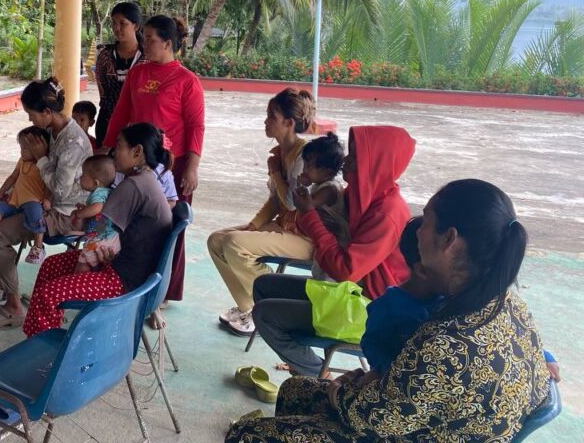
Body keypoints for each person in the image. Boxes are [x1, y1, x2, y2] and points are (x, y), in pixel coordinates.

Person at [227, 179, 552, 443]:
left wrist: (342, 391)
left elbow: (373, 419)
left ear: (449, 239)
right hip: (431, 421)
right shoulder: (508, 303)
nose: (418, 231)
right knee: (294, 389)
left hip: (410, 432)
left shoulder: (445, 344)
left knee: (246, 435)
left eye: (427, 221)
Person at [251, 125, 415, 377]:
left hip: (368, 307)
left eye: (355, 157)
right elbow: (312, 225)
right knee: (264, 285)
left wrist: (309, 215)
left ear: (376, 163)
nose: (346, 162)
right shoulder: (360, 195)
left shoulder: (387, 213)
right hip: (346, 292)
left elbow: (345, 270)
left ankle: (317, 375)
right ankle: (304, 362)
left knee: (265, 315)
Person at [22, 122, 173, 337]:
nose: (113, 152)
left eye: (119, 146)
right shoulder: (145, 180)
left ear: (137, 151)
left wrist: (85, 256)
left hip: (123, 280)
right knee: (50, 265)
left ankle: (41, 347)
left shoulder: (133, 186)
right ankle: (46, 332)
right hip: (131, 270)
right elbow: (109, 228)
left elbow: (99, 233)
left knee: (48, 294)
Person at [0, 78, 92, 329]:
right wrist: (13, 190)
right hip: (39, 199)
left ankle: (13, 307)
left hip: (64, 213)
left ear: (47, 112)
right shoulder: (51, 130)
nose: (30, 119)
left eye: (31, 114)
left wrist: (41, 158)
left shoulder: (73, 142)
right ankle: (1, 284)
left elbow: (60, 190)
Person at [103, 14, 204, 302]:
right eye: (144, 37)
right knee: (132, 225)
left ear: (168, 44)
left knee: (168, 229)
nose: (144, 43)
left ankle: (164, 292)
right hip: (135, 163)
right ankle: (125, 284)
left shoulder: (187, 81)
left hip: (171, 166)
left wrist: (192, 167)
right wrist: (107, 148)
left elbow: (196, 126)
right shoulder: (138, 73)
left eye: (149, 39)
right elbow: (121, 113)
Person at [209, 88, 318, 335]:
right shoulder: (280, 153)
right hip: (284, 226)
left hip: (306, 236)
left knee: (234, 243)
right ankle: (248, 307)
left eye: (272, 116)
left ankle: (267, 306)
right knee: (216, 240)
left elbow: (292, 202)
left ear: (289, 123)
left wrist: (275, 172)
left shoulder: (303, 155)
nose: (266, 121)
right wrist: (254, 225)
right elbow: (275, 202)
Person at [360, 217, 441, 375]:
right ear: (422, 270)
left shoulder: (449, 299)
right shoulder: (387, 307)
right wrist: (391, 371)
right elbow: (371, 344)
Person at [0, 126, 52, 266]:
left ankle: (38, 247)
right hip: (15, 201)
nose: (21, 151)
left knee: (36, 216)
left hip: (33, 200)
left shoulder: (44, 164)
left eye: (25, 148)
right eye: (21, 147)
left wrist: (48, 199)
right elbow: (13, 176)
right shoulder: (22, 161)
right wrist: (4, 188)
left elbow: (51, 184)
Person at [298, 133, 348, 281]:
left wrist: (302, 186)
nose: (305, 170)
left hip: (337, 244)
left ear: (327, 173)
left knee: (328, 278)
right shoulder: (320, 185)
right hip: (325, 239)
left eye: (309, 166)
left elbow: (307, 205)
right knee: (319, 273)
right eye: (305, 164)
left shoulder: (329, 189)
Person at [93, 2, 144, 144]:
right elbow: (103, 93)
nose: (117, 28)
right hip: (108, 121)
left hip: (139, 125)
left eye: (123, 23)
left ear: (136, 26)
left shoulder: (147, 57)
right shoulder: (105, 56)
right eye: (114, 23)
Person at [71, 154, 119, 273]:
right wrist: (86, 209)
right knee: (93, 265)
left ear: (96, 182)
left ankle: (80, 280)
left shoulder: (98, 193)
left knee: (82, 265)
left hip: (98, 239)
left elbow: (98, 207)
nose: (80, 177)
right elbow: (98, 211)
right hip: (110, 237)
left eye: (83, 174)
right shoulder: (107, 192)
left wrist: (79, 214)